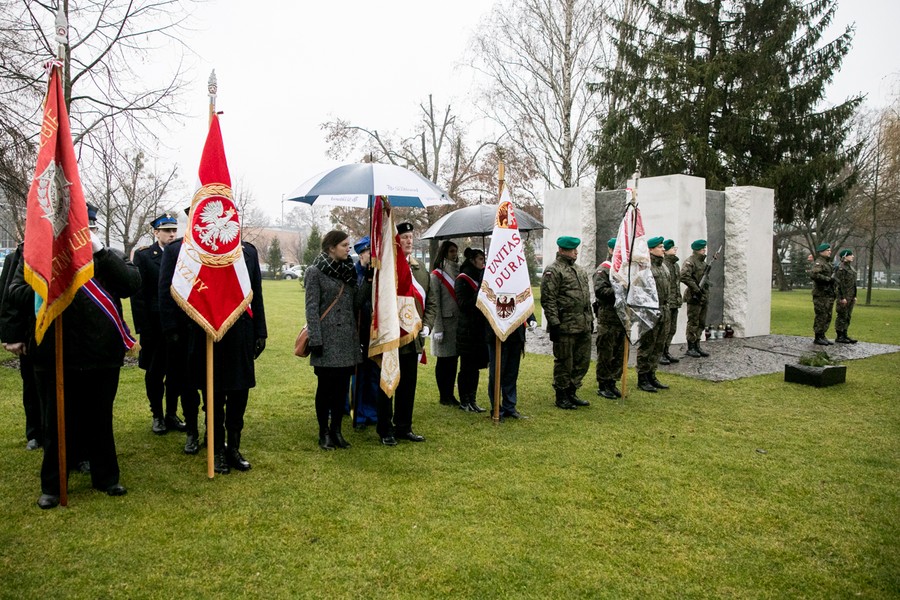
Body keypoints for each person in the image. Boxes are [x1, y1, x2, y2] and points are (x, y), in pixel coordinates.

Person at [7, 205, 141, 508]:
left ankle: (106, 477)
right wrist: (48, 285)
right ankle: (53, 485)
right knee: (54, 422)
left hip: (101, 352)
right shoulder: (37, 254)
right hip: (52, 352)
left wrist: (100, 251)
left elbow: (131, 284)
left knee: (99, 418)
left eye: (86, 228)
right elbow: (14, 292)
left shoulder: (107, 254)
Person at [159, 229, 267, 473]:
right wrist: (171, 329)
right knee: (214, 397)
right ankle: (216, 449)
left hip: (241, 334)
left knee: (240, 394)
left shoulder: (247, 251)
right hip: (208, 334)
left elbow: (256, 294)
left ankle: (233, 448)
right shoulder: (195, 252)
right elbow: (170, 290)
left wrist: (261, 331)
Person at [376, 221, 434, 445]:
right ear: (396, 240)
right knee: (388, 381)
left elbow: (432, 301)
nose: (409, 240)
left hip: (413, 335)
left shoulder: (421, 270)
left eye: (411, 236)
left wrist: (427, 325)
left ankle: (404, 426)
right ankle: (385, 429)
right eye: (405, 237)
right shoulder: (387, 268)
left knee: (408, 384)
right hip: (392, 334)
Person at [306, 230, 362, 450]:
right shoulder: (315, 272)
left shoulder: (348, 270)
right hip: (326, 340)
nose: (349, 248)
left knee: (341, 390)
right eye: (344, 245)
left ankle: (337, 431)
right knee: (325, 389)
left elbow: (356, 303)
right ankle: (324, 432)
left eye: (349, 245)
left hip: (346, 339)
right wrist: (316, 338)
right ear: (331, 247)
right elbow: (311, 308)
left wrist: (366, 278)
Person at [130, 213, 187, 435]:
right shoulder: (145, 256)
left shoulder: (182, 253)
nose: (172, 234)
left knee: (176, 372)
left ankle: (172, 413)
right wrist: (143, 328)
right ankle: (157, 415)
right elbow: (138, 295)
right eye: (167, 231)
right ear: (156, 232)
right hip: (154, 327)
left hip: (177, 324)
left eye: (174, 230)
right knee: (155, 372)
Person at [540, 236, 593, 410]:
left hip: (582, 324)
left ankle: (572, 390)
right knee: (565, 361)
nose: (575, 252)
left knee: (582, 361)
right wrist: (554, 323)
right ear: (562, 250)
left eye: (576, 249)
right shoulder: (553, 270)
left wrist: (590, 320)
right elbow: (549, 299)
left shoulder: (579, 270)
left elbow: (586, 298)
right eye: (572, 249)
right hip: (565, 326)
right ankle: (561, 394)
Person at [0, 240, 42, 450]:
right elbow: (8, 300)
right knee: (32, 384)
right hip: (29, 332)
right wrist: (12, 336)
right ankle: (34, 432)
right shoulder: (18, 255)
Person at [455, 247, 488, 413]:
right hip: (467, 329)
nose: (483, 262)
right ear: (473, 260)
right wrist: (478, 293)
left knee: (475, 367)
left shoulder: (482, 277)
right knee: (466, 366)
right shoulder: (463, 278)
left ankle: (473, 399)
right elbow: (463, 304)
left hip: (479, 329)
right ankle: (464, 400)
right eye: (480, 259)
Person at [428, 241, 461, 407]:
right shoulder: (436, 275)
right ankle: (444, 395)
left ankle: (450, 394)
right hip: (444, 325)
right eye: (451, 252)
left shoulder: (458, 271)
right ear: (444, 253)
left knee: (453, 361)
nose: (454, 254)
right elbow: (435, 304)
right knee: (443, 361)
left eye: (456, 251)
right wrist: (438, 328)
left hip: (456, 325)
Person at [636, 237, 671, 393]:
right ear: (650, 250)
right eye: (660, 247)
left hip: (664, 309)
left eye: (663, 247)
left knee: (659, 345)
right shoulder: (645, 268)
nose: (663, 249)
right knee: (647, 345)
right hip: (650, 311)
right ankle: (642, 377)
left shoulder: (664, 267)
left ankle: (652, 374)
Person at [351, 236, 378, 430]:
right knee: (359, 375)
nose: (372, 255)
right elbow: (356, 301)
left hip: (375, 330)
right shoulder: (354, 274)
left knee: (374, 374)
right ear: (361, 254)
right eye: (369, 252)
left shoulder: (379, 273)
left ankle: (372, 411)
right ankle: (358, 413)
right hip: (359, 329)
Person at [486, 314, 536, 419]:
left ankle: (509, 407)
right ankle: (496, 408)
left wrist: (531, 318)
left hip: (516, 335)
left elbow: (523, 301)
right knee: (496, 374)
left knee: (511, 374)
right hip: (497, 333)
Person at [594, 237, 624, 399]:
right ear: (611, 250)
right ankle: (603, 384)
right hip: (607, 318)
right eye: (618, 250)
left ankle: (613, 382)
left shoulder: (623, 270)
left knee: (619, 353)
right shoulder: (604, 270)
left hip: (621, 318)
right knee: (606, 352)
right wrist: (620, 289)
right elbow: (600, 292)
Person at [680, 239, 711, 358]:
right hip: (694, 297)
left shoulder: (702, 263)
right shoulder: (690, 261)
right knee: (693, 322)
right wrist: (696, 289)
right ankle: (691, 346)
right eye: (703, 248)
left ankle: (697, 344)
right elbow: (684, 276)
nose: (704, 250)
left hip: (703, 296)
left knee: (701, 322)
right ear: (697, 249)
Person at [810, 243, 836, 345]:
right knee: (821, 315)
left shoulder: (827, 263)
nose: (830, 251)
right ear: (822, 252)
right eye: (828, 250)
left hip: (828, 293)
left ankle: (822, 335)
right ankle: (818, 336)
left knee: (827, 315)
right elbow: (814, 274)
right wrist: (828, 279)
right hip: (820, 294)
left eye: (830, 250)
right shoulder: (819, 263)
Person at [660, 239, 682, 365]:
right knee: (665, 330)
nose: (675, 249)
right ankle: (661, 353)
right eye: (672, 248)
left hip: (675, 301)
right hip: (667, 303)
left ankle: (666, 350)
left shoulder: (675, 265)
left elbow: (676, 284)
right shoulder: (664, 265)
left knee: (672, 329)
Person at [834, 248, 858, 344]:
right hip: (844, 297)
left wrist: (854, 296)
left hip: (850, 296)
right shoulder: (841, 268)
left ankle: (845, 334)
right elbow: (838, 285)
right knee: (842, 316)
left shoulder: (851, 268)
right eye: (850, 255)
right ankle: (839, 335)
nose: (852, 256)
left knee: (848, 316)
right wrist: (841, 298)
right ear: (845, 257)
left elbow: (853, 284)